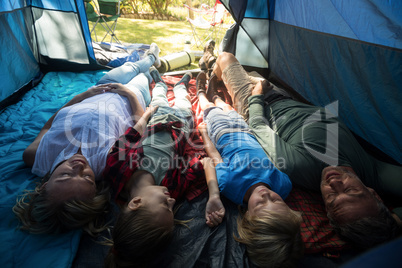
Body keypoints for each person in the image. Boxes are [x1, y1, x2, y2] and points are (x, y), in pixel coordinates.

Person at [208, 51, 402, 248]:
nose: (334, 183)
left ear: (325, 208)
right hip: (294, 99)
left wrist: (257, 95)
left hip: (261, 105)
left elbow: (258, 126)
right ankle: (216, 71)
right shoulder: (373, 172)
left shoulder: (298, 166)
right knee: (244, 71)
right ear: (374, 194)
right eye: (350, 189)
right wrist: (392, 222)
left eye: (332, 198)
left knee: (226, 58)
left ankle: (212, 68)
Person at [13, 43, 162, 235]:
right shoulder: (105, 163)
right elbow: (137, 128)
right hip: (130, 98)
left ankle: (151, 57)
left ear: (44, 186)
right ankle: (152, 67)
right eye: (87, 178)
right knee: (144, 76)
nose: (79, 166)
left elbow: (49, 125)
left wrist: (84, 95)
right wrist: (130, 95)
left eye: (66, 175)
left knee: (132, 67)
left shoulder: (36, 156)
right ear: (95, 189)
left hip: (101, 88)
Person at [103, 69, 224, 267]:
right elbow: (206, 163)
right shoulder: (172, 186)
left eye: (164, 205)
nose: (172, 201)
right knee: (183, 98)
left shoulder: (115, 169)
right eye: (172, 208)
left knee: (159, 94)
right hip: (182, 122)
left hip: (156, 117)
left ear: (136, 203)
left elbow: (132, 135)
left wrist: (147, 114)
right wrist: (214, 196)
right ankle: (181, 86)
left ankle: (159, 81)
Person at [195, 73, 304, 268]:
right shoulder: (283, 186)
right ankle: (216, 95)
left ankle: (202, 93)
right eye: (276, 200)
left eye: (261, 204)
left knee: (210, 110)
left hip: (223, 134)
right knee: (227, 107)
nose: (267, 195)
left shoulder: (229, 184)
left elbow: (212, 160)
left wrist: (204, 134)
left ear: (247, 216)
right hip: (246, 132)